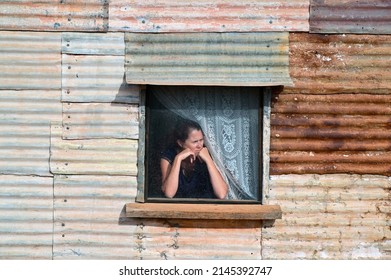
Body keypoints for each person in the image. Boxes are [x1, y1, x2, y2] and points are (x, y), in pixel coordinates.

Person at [160, 119, 228, 199]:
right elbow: (169, 193)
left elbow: (222, 194)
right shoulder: (169, 157)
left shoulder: (206, 154)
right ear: (180, 143)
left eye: (201, 140)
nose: (200, 146)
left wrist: (208, 160)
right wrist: (178, 159)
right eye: (195, 142)